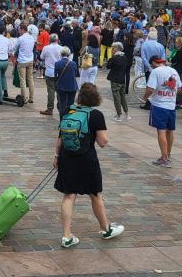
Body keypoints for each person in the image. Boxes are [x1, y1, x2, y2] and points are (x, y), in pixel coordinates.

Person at [54, 83, 125, 248]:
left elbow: (59, 138)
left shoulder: (68, 111)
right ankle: (105, 229)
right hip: (87, 160)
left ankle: (66, 236)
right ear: (96, 98)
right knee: (95, 195)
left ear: (79, 97)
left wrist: (56, 156)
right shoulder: (96, 115)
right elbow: (103, 142)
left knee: (68, 196)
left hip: (67, 157)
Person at [143, 56, 181, 168]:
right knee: (170, 130)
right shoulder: (173, 71)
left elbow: (150, 89)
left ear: (154, 63)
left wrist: (145, 98)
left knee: (161, 131)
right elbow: (178, 88)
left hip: (159, 105)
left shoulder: (155, 72)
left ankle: (164, 158)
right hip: (171, 105)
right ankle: (167, 154)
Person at [104, 42, 130, 121]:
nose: (112, 50)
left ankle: (119, 115)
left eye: (113, 48)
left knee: (116, 97)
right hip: (122, 79)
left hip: (115, 80)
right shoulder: (124, 57)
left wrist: (110, 59)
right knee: (123, 97)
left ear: (116, 49)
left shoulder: (115, 58)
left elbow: (108, 66)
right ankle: (127, 114)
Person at [40, 34, 62, 116]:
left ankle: (50, 109)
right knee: (59, 91)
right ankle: (61, 107)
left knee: (50, 91)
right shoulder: (61, 48)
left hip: (49, 72)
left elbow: (42, 57)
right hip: (59, 72)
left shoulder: (46, 48)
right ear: (57, 39)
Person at [54, 47, 79, 117]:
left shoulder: (57, 63)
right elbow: (76, 74)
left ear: (61, 54)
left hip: (61, 86)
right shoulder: (73, 63)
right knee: (71, 104)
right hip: (72, 86)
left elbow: (55, 76)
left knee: (62, 104)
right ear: (69, 54)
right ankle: (70, 119)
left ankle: (62, 120)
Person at [16, 25, 37, 103]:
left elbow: (14, 47)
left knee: (22, 80)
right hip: (30, 60)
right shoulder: (32, 38)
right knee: (30, 79)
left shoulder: (20, 38)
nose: (18, 31)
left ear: (22, 30)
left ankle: (23, 97)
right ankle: (31, 97)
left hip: (22, 61)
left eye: (19, 30)